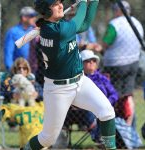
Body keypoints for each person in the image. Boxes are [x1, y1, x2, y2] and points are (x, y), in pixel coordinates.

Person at [23, 0, 116, 149]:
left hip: (80, 81)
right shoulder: (56, 30)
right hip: (58, 90)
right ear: (46, 11)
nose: (61, 6)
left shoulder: (56, 27)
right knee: (47, 139)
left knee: (107, 112)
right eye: (55, 5)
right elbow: (79, 20)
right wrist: (84, 3)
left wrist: (94, 3)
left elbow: (84, 25)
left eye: (60, 3)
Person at [102, 0, 144, 126]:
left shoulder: (114, 24)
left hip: (116, 65)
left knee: (113, 95)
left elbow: (105, 44)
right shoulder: (136, 22)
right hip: (134, 63)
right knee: (128, 95)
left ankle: (115, 126)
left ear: (117, 10)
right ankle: (129, 125)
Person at [80, 49, 118, 143]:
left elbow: (114, 94)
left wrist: (107, 102)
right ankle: (98, 135)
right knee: (92, 111)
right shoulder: (79, 79)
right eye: (88, 61)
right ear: (81, 64)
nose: (92, 62)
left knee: (104, 110)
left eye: (93, 60)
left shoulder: (102, 79)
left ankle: (100, 136)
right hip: (85, 109)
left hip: (104, 107)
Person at [4, 6, 38, 71]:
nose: (34, 18)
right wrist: (11, 69)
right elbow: (8, 53)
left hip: (34, 69)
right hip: (19, 69)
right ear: (24, 18)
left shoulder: (33, 30)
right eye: (32, 16)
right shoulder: (13, 32)